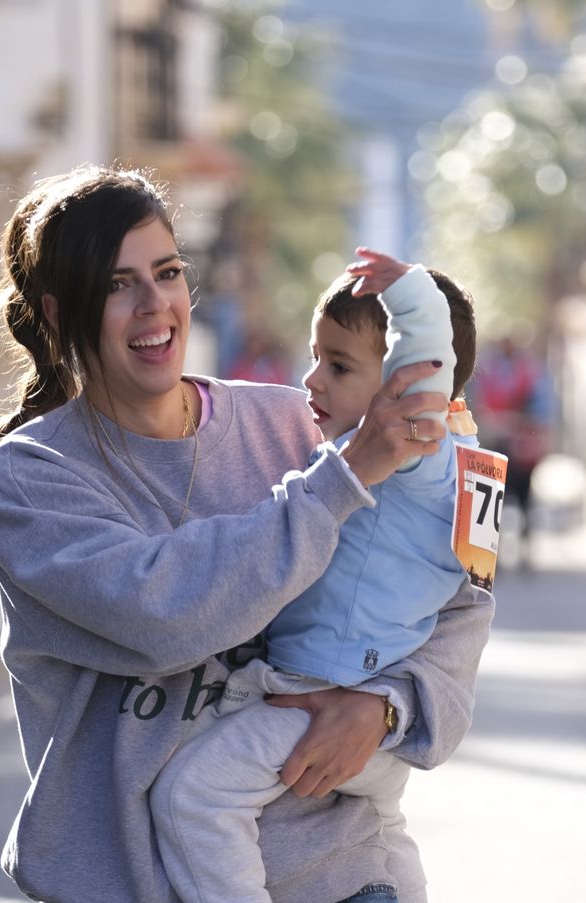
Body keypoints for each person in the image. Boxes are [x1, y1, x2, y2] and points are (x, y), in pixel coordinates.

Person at [0, 165, 493, 903]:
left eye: (167, 272)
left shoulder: (304, 421)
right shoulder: (29, 478)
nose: (154, 305)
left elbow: (463, 595)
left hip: (345, 877)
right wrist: (343, 477)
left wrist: (386, 705)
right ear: (56, 312)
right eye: (117, 284)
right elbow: (165, 613)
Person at [151, 249, 480, 903]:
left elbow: (428, 361)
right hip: (363, 722)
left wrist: (411, 295)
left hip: (318, 700)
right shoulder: (428, 463)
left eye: (339, 365)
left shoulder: (418, 446)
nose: (312, 380)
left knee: (193, 794)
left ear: (409, 386)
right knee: (389, 829)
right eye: (315, 356)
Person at [472, 330, 555, 559]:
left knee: (523, 498)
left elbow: (542, 408)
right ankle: (488, 553)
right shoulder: (491, 370)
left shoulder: (529, 372)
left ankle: (523, 551)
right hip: (496, 442)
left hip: (520, 445)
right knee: (491, 501)